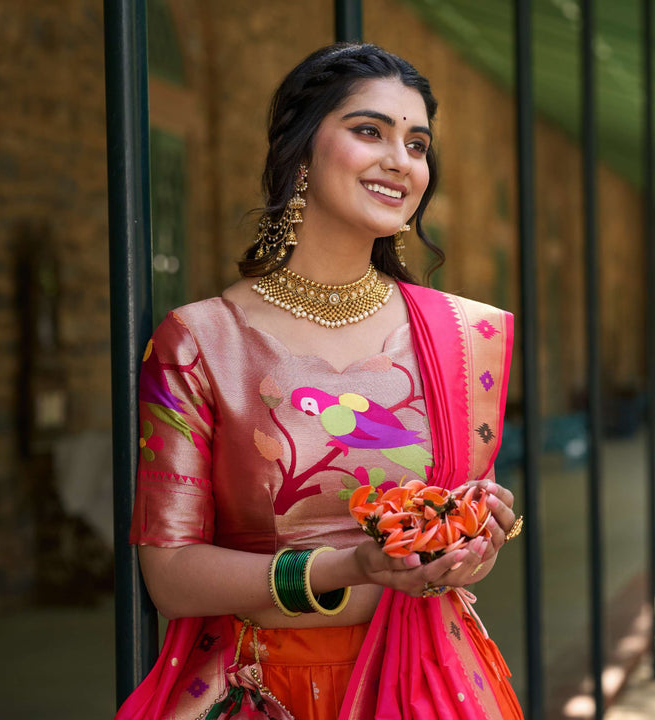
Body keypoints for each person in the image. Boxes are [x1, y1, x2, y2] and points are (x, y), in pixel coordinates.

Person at [115, 43, 524, 720]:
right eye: (370, 131)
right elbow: (171, 577)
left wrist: (473, 538)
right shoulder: (199, 343)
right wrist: (347, 568)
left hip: (429, 685)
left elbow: (446, 528)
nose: (401, 160)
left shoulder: (459, 334)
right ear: (300, 155)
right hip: (263, 692)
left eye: (417, 143)